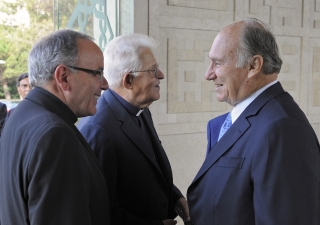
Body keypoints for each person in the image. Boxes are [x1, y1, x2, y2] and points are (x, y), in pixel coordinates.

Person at [187, 18, 320, 225]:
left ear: (254, 65)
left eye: (218, 63)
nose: (208, 74)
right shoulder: (226, 123)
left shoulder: (282, 129)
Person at [77, 33, 191, 225]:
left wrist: (176, 198)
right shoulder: (98, 129)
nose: (161, 75)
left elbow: (148, 172)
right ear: (128, 80)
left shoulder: (141, 110)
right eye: (153, 70)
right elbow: (100, 211)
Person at [0, 29, 110, 225]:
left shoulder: (20, 115)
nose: (105, 84)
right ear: (63, 77)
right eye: (97, 73)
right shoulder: (55, 134)